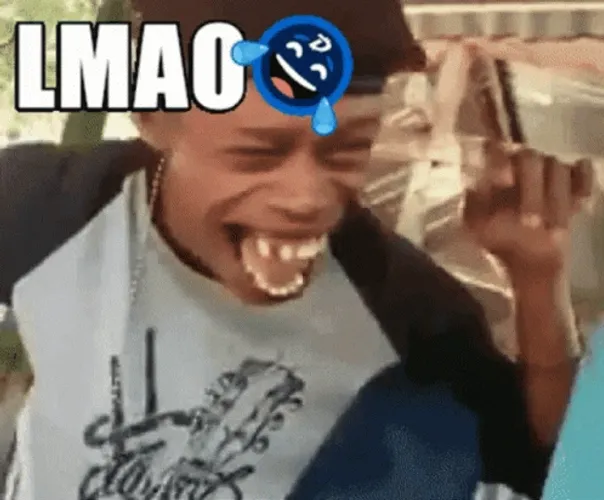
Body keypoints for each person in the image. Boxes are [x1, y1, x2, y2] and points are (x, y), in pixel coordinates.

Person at [0, 0, 591, 498]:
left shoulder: (406, 312)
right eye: (257, 153)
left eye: (346, 149)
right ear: (155, 119)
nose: (308, 197)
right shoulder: (51, 212)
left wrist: (538, 280)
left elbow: (546, 461)